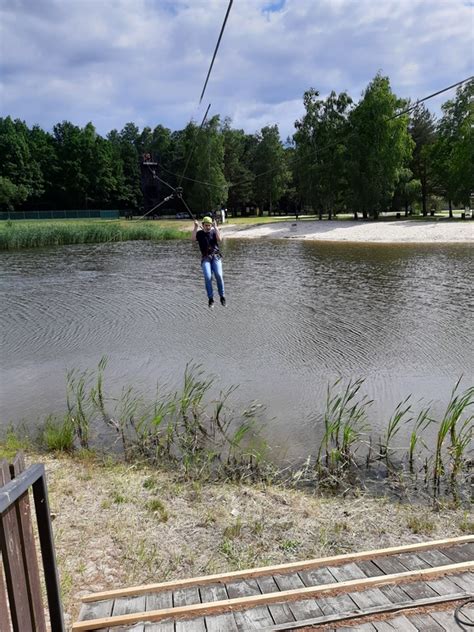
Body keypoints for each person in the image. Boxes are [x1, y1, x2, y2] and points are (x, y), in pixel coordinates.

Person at [192, 216, 226, 308]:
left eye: (209, 225)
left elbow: (219, 239)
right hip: (206, 258)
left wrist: (216, 227)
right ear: (202, 225)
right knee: (208, 277)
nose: (207, 227)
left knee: (219, 275)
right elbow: (193, 239)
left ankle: (222, 296)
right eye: (206, 225)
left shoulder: (214, 231)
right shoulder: (199, 233)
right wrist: (195, 227)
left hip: (215, 256)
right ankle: (211, 299)